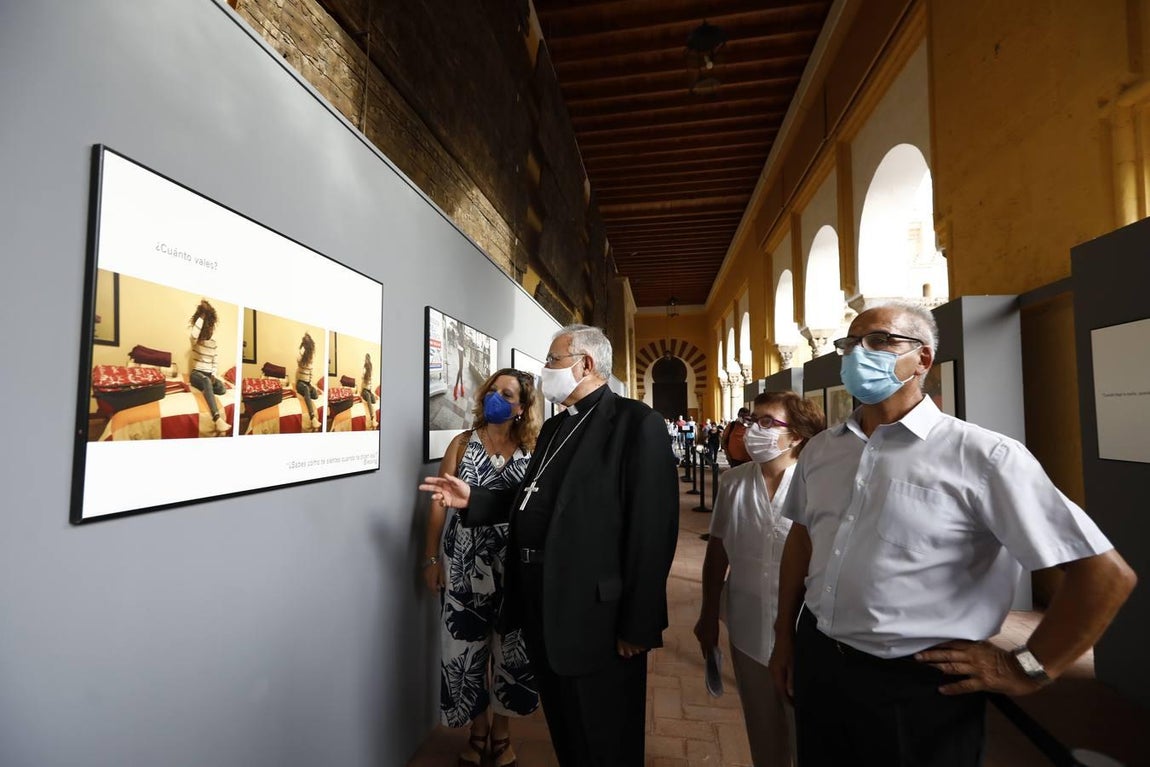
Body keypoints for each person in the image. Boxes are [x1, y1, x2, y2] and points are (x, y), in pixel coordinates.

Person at [767, 301, 1137, 767]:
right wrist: (786, 635)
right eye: (851, 344)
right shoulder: (823, 450)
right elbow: (803, 538)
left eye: (880, 341)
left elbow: (1104, 575)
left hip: (917, 681)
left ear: (922, 360)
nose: (859, 354)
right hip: (822, 660)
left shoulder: (984, 457)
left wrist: (1027, 667)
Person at [421, 325, 679, 766]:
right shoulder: (558, 426)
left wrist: (639, 623)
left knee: (605, 733)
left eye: (554, 361)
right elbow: (532, 500)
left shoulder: (636, 425)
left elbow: (653, 532)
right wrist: (474, 499)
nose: (545, 371)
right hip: (544, 605)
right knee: (568, 730)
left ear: (586, 364)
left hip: (598, 615)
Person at [695, 391, 825, 767]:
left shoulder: (816, 482)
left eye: (768, 422)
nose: (753, 429)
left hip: (805, 633)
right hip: (748, 626)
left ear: (796, 435)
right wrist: (707, 616)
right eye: (752, 420)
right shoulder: (734, 482)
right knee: (763, 734)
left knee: (809, 736)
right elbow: (717, 550)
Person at [422, 368, 543, 767]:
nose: (497, 398)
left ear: (523, 407)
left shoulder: (536, 450)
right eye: (493, 390)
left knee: (512, 652)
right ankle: (477, 731)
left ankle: (502, 734)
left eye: (507, 394)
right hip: (463, 567)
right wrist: (432, 558)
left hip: (515, 569)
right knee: (466, 650)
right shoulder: (462, 443)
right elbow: (439, 503)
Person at [187, 299, 229, 435]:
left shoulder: (213, 343)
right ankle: (217, 418)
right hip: (196, 374)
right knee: (205, 381)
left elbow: (214, 361)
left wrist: (214, 375)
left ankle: (207, 389)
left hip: (209, 375)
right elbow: (193, 334)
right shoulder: (196, 341)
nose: (210, 329)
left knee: (222, 388)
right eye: (208, 326)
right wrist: (203, 315)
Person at [295, 332, 320, 430]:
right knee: (305, 389)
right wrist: (303, 344)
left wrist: (311, 386)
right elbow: (299, 354)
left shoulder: (311, 358)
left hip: (307, 383)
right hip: (300, 383)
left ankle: (310, 391)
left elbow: (310, 373)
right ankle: (312, 417)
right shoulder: (300, 356)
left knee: (315, 395)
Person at [361, 353, 377, 428]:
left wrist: (371, 392)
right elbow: (363, 382)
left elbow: (370, 385)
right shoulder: (364, 371)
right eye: (366, 358)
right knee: (367, 396)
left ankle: (371, 396)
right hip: (364, 391)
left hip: (369, 391)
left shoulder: (371, 374)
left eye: (368, 358)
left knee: (374, 400)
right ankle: (372, 417)